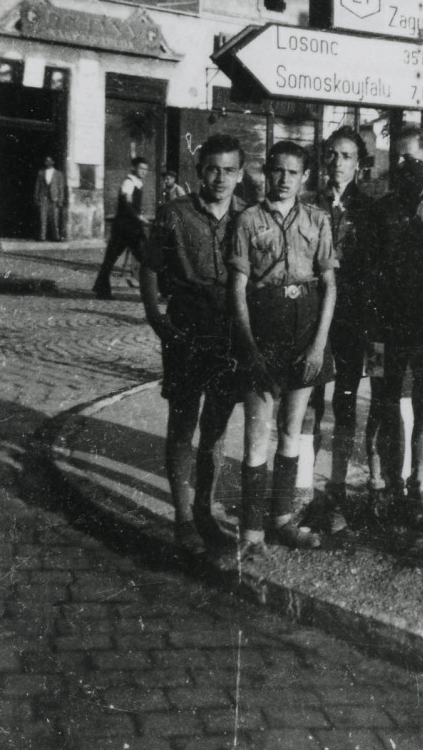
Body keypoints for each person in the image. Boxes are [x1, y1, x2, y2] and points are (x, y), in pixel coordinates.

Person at [138, 136, 245, 558]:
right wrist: (156, 319)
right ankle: (183, 519)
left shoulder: (247, 216)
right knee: (183, 424)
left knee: (216, 426)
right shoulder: (175, 213)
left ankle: (205, 511)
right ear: (200, 171)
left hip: (228, 332)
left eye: (229, 170)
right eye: (213, 169)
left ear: (240, 174)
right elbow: (150, 268)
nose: (220, 178)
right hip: (185, 330)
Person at [229, 140, 337, 552]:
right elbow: (237, 287)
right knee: (257, 435)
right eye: (277, 170)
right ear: (266, 172)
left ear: (305, 176)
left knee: (292, 430)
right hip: (263, 323)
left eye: (294, 172)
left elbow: (329, 285)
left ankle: (282, 519)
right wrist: (249, 346)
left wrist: (318, 345)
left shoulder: (318, 219)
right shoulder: (248, 220)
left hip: (305, 325)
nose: (285, 179)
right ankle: (251, 531)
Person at [369, 126, 423, 529]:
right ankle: (389, 488)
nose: (401, 164)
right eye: (396, 157)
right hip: (383, 326)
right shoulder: (381, 209)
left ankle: (419, 489)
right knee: (384, 404)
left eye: (410, 157)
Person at [305, 127, 380, 539]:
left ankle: (336, 489)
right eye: (332, 154)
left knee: (346, 402)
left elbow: (373, 271)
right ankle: (304, 488)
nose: (338, 163)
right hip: (313, 314)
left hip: (351, 317)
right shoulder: (307, 203)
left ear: (359, 163)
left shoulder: (368, 209)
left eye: (347, 156)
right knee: (309, 401)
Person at [93, 156, 149, 299]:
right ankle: (101, 289)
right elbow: (126, 204)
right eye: (141, 168)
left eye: (146, 169)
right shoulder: (128, 183)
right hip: (123, 228)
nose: (144, 171)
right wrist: (139, 217)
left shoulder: (138, 183)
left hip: (133, 228)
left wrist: (139, 217)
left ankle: (152, 289)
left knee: (145, 257)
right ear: (134, 168)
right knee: (111, 258)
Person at [33, 155, 67, 241]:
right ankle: (42, 237)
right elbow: (37, 186)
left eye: (49, 161)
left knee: (54, 218)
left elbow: (61, 188)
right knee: (42, 218)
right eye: (46, 161)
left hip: (54, 198)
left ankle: (56, 237)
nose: (47, 163)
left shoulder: (58, 174)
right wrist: (36, 197)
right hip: (43, 198)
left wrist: (60, 200)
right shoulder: (41, 173)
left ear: (53, 162)